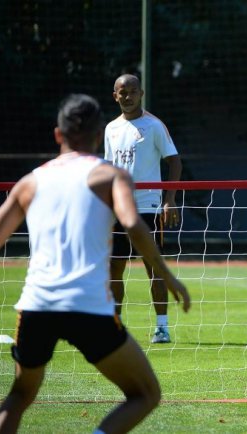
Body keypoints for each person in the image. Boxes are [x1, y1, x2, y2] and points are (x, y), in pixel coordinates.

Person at [0, 94, 191, 433]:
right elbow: (135, 225)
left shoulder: (29, 183)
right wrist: (168, 276)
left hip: (37, 306)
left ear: (57, 135)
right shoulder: (110, 176)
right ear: (99, 136)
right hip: (89, 307)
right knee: (145, 393)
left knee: (20, 395)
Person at [105, 74, 182, 344]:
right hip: (117, 209)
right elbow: (107, 169)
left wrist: (169, 200)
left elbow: (174, 161)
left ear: (141, 94)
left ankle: (162, 327)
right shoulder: (111, 129)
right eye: (122, 92)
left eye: (132, 91)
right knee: (114, 269)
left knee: (153, 267)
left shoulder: (154, 125)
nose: (127, 96)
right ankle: (113, 327)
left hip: (148, 207)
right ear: (115, 95)